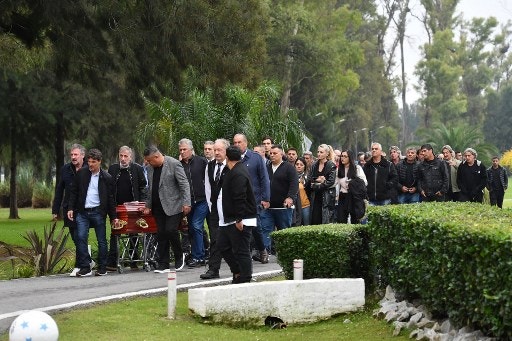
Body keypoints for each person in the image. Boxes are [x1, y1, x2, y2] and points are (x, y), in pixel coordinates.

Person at [67, 149, 118, 277]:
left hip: (98, 212)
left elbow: (111, 199)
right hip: (83, 212)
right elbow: (74, 191)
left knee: (101, 240)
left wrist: (114, 217)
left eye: (93, 162)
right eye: (89, 161)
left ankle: (102, 267)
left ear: (100, 162)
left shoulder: (107, 178)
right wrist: (71, 208)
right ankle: (86, 266)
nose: (90, 164)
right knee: (80, 238)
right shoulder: (82, 173)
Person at [143, 145, 191, 273]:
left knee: (171, 230)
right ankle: (163, 263)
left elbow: (184, 184)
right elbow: (151, 188)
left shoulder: (173, 164)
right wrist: (148, 205)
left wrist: (187, 203)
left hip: (174, 205)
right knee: (161, 234)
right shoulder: (150, 169)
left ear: (157, 156)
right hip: (157, 206)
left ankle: (179, 255)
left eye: (150, 160)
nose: (148, 163)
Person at [216, 145, 258, 284]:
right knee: (223, 245)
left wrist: (239, 218)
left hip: (242, 218)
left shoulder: (238, 172)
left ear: (227, 157)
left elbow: (240, 196)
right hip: (231, 218)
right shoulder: (232, 170)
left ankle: (245, 278)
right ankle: (237, 271)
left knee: (241, 250)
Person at [106, 146, 148, 271]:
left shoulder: (137, 169)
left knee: (134, 233)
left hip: (134, 207)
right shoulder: (113, 169)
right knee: (115, 233)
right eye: (121, 156)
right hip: (117, 207)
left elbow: (143, 188)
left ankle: (133, 260)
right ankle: (113, 262)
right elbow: (109, 189)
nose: (123, 159)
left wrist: (142, 204)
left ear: (130, 157)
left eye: (126, 156)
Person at [52, 143, 89, 276]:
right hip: (69, 208)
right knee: (75, 237)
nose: (73, 157)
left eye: (76, 155)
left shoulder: (88, 168)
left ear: (82, 156)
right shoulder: (65, 169)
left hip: (85, 208)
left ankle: (80, 265)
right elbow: (59, 189)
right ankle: (87, 260)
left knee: (81, 236)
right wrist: (55, 210)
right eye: (72, 155)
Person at [233, 134, 270, 264]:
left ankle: (262, 250)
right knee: (240, 226)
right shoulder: (232, 159)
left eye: (239, 142)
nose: (237, 145)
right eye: (235, 142)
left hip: (254, 199)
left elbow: (264, 178)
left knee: (256, 227)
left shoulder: (255, 158)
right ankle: (244, 253)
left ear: (246, 143)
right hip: (238, 199)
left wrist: (265, 198)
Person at [200, 139, 230, 280]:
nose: (216, 153)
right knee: (215, 239)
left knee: (233, 239)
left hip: (230, 209)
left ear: (226, 151)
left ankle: (240, 268)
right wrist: (212, 206)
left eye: (219, 150)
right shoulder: (210, 166)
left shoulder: (232, 165)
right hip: (214, 210)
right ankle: (213, 269)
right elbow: (208, 188)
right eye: (215, 150)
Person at [260, 144, 298, 252]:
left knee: (283, 231)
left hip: (283, 207)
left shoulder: (289, 168)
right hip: (268, 207)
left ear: (281, 154)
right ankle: (265, 252)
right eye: (270, 153)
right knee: (266, 229)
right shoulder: (266, 168)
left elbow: (294, 184)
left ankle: (284, 251)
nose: (272, 155)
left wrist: (290, 198)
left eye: (275, 153)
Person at [179, 139, 209, 268]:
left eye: (185, 149)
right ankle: (201, 252)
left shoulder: (201, 162)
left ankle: (199, 257)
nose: (182, 152)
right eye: (180, 150)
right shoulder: (178, 165)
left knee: (197, 225)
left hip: (202, 200)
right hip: (187, 202)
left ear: (191, 150)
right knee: (192, 228)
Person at [336, 150, 367, 223]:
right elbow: (335, 183)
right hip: (343, 196)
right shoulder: (339, 170)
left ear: (350, 158)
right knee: (341, 220)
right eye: (341, 156)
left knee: (355, 220)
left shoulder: (357, 168)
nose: (342, 158)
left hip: (354, 196)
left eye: (345, 156)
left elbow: (364, 182)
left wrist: (353, 183)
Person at [308, 144, 337, 224]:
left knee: (325, 220)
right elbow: (310, 178)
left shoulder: (331, 165)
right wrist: (319, 180)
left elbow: (331, 181)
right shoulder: (314, 165)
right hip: (315, 196)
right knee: (314, 219)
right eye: (318, 152)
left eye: (321, 152)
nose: (319, 154)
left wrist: (320, 184)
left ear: (327, 153)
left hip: (326, 197)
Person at [295, 157, 311, 226]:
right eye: (297, 164)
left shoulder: (308, 177)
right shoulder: (291, 176)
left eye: (301, 165)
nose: (299, 166)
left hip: (305, 205)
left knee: (307, 226)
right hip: (294, 206)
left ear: (305, 166)